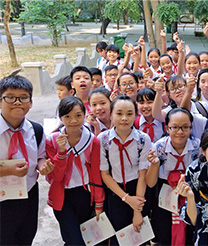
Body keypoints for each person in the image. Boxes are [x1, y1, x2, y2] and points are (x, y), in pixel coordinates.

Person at [0, 75, 53, 245]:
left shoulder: (36, 130)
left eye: (23, 97)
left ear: (30, 102)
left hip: (28, 194)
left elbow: (40, 156)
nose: (17, 102)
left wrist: (43, 165)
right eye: (10, 97)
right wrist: (7, 170)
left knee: (26, 237)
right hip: (1, 198)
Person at [46, 96, 104, 245]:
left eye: (78, 115)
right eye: (67, 116)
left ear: (85, 116)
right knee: (74, 240)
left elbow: (96, 173)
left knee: (87, 238)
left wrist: (99, 203)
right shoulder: (52, 140)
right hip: (62, 195)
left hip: (85, 193)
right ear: (60, 118)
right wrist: (61, 152)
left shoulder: (92, 141)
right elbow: (57, 176)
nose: (73, 121)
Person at [98, 94, 151, 244]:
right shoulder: (103, 139)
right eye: (119, 113)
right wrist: (126, 198)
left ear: (136, 115)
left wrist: (137, 210)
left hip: (139, 190)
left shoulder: (143, 139)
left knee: (139, 235)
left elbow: (143, 175)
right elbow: (105, 174)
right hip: (116, 192)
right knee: (119, 238)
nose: (124, 118)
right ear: (111, 114)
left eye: (129, 114)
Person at [146, 108, 201, 245]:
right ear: (167, 128)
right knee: (165, 231)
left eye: (185, 127)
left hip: (189, 192)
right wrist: (154, 165)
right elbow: (150, 183)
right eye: (175, 127)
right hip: (165, 194)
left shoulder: (196, 147)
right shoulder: (159, 147)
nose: (180, 132)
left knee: (189, 230)